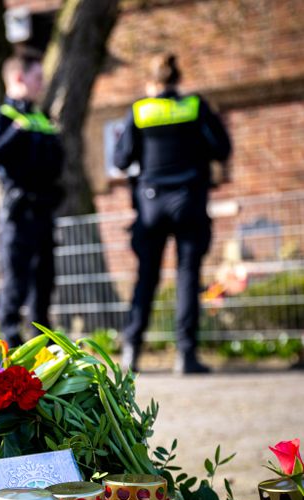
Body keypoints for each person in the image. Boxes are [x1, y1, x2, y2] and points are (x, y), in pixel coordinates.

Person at [114, 54, 231, 374]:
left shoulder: (139, 111)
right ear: (177, 81)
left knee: (146, 278)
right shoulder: (194, 106)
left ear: (150, 83)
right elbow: (222, 148)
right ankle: (186, 355)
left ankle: (131, 351)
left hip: (151, 205)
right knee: (187, 276)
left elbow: (121, 158)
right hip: (189, 201)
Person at [0, 49, 64, 348]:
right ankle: (10, 339)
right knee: (16, 279)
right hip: (18, 211)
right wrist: (15, 133)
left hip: (44, 210)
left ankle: (43, 340)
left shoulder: (41, 117)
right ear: (19, 77)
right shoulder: (2, 118)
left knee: (45, 279)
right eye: (37, 77)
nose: (42, 84)